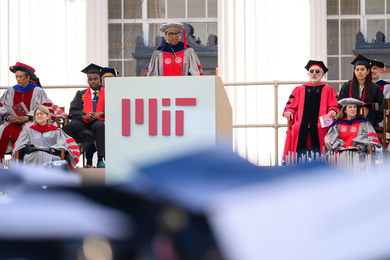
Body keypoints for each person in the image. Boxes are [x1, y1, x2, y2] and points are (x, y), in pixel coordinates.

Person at [0, 62, 65, 160]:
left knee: (29, 130)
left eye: (21, 76)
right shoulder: (10, 91)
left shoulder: (38, 91)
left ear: (28, 77)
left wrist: (28, 117)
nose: (18, 79)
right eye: (16, 76)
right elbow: (2, 107)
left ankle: (24, 159)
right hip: (12, 121)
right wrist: (10, 117)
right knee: (1, 130)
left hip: (30, 121)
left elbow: (44, 109)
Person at [282, 60, 339, 161]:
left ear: (322, 75)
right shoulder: (298, 89)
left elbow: (334, 105)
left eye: (317, 71)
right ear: (308, 73)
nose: (314, 73)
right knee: (296, 129)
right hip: (301, 124)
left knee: (321, 131)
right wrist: (289, 111)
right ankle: (296, 164)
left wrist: (333, 111)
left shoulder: (328, 89)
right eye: (311, 71)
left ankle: (322, 165)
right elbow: (290, 106)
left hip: (320, 124)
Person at [63, 63, 105, 168]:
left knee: (100, 126)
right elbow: (73, 109)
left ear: (99, 79)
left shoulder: (107, 92)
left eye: (95, 79)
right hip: (84, 120)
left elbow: (114, 107)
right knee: (68, 127)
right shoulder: (80, 93)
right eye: (90, 79)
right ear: (88, 81)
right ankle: (67, 158)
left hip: (98, 120)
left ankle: (100, 160)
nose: (93, 81)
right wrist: (84, 115)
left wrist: (102, 113)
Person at [12, 105, 80, 168]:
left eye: (41, 113)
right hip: (32, 156)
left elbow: (62, 144)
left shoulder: (56, 131)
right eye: (37, 114)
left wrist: (50, 149)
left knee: (41, 154)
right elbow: (20, 145)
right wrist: (31, 148)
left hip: (51, 155)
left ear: (48, 116)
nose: (39, 115)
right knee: (39, 154)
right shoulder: (29, 131)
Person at [84, 66, 119, 168]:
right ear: (101, 79)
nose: (107, 80)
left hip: (114, 123)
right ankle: (92, 161)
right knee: (94, 131)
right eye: (105, 77)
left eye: (110, 77)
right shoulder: (93, 93)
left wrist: (102, 114)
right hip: (98, 124)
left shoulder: (117, 91)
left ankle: (104, 161)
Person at [338, 55, 384, 127]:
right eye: (357, 70)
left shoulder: (375, 88)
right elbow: (340, 104)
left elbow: (379, 108)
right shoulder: (347, 86)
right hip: (349, 121)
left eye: (362, 69)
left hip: (369, 122)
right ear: (354, 71)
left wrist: (368, 112)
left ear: (368, 71)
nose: (359, 72)